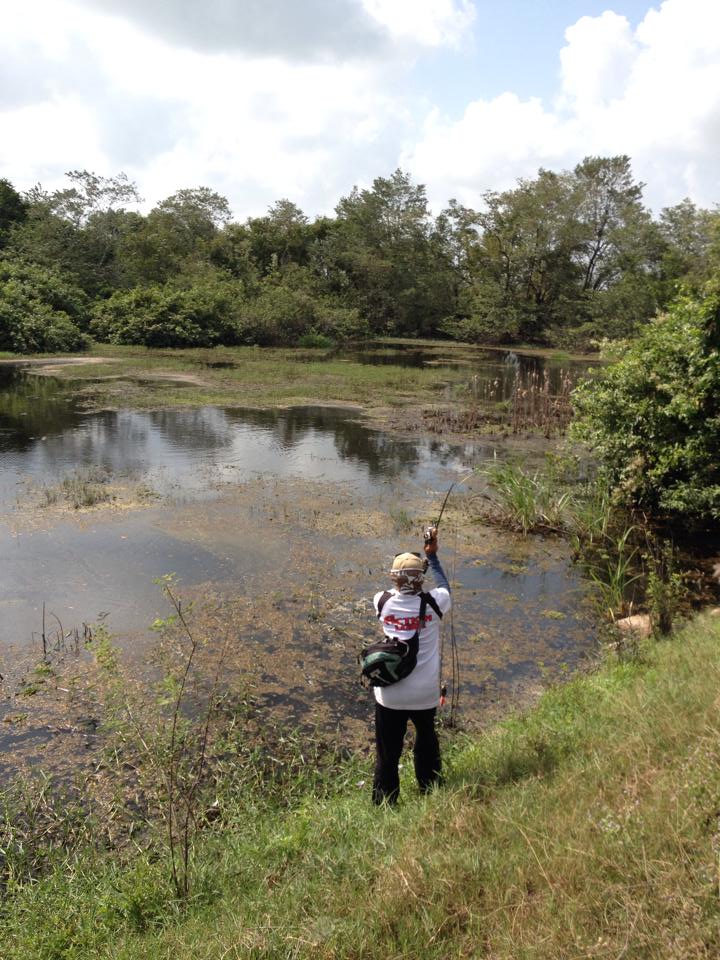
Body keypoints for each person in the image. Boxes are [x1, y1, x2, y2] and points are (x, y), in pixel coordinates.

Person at [371, 527, 452, 805]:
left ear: (393, 579)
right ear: (421, 580)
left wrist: (418, 567)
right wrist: (433, 557)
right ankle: (430, 790)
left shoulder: (381, 601)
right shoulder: (435, 603)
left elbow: (403, 587)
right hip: (424, 694)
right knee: (427, 741)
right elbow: (444, 586)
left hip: (390, 693)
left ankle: (385, 802)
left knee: (387, 751)